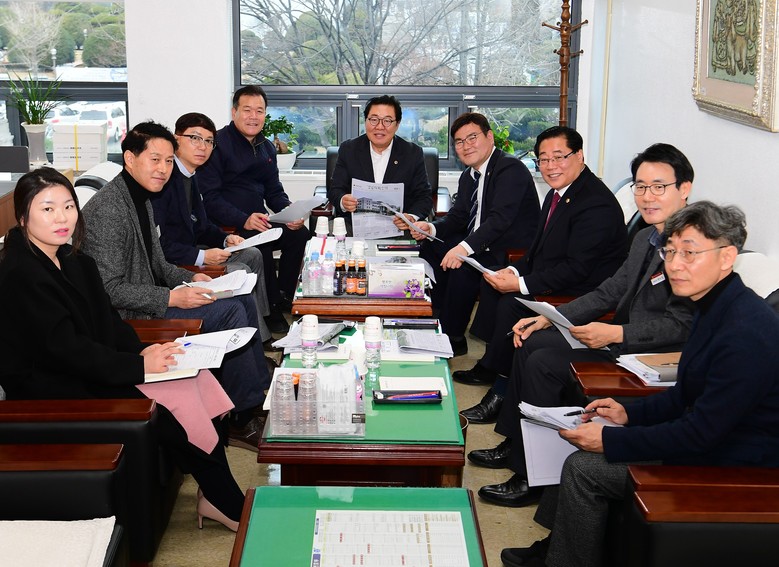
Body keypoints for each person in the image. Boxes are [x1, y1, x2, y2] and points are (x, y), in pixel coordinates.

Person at [501, 201, 779, 567]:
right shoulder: (714, 304)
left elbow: (701, 434)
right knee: (582, 437)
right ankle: (558, 549)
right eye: (670, 251)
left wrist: (611, 440)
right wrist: (628, 414)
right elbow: (682, 396)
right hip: (710, 440)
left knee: (584, 468)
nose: (674, 265)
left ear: (727, 257)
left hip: (733, 462)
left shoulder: (745, 331)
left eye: (689, 253)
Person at [0, 168, 247, 530]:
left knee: (193, 376)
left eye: (68, 206)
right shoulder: (19, 274)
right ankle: (227, 503)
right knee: (173, 408)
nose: (62, 218)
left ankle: (216, 495)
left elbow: (110, 323)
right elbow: (66, 351)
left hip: (93, 366)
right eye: (48, 209)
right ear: (23, 217)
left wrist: (142, 352)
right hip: (53, 386)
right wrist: (138, 368)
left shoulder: (75, 260)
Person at [468, 143, 697, 508]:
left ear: (684, 188)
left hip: (651, 359)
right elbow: (611, 291)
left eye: (659, 187)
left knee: (543, 362)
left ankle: (530, 477)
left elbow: (681, 327)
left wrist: (617, 333)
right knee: (532, 342)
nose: (647, 196)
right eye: (640, 186)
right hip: (619, 341)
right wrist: (549, 316)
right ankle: (518, 448)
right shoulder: (646, 238)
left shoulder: (694, 249)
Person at [81, 121, 269, 452]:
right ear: (130, 158)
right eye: (155, 159)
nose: (163, 169)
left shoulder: (141, 196)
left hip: (152, 297)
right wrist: (171, 297)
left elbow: (158, 262)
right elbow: (109, 289)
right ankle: (241, 418)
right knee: (230, 312)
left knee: (241, 299)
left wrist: (190, 278)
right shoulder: (108, 210)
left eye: (168, 161)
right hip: (130, 317)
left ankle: (255, 397)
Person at [454, 126, 627, 379]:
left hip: (582, 291)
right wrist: (512, 271)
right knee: (494, 280)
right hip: (560, 275)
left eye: (559, 157)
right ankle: (493, 362)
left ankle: (500, 378)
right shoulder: (558, 193)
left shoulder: (596, 204)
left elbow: (577, 269)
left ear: (579, 155)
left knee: (511, 302)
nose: (550, 166)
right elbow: (535, 251)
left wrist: (520, 284)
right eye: (543, 160)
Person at [411, 112, 540, 355]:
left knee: (462, 267)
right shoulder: (469, 175)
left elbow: (499, 221)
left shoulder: (509, 168)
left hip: (508, 250)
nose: (466, 146)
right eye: (459, 142)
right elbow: (459, 216)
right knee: (431, 246)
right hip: (483, 242)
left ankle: (453, 336)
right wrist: (432, 228)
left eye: (472, 138)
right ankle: (434, 316)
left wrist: (462, 249)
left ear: (489, 137)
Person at [150, 112, 273, 341]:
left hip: (192, 250)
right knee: (240, 270)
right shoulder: (163, 179)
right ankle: (255, 337)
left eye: (208, 141)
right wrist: (202, 256)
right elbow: (158, 245)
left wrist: (225, 239)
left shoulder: (192, 175)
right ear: (176, 140)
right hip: (175, 263)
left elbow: (202, 225)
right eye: (195, 138)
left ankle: (262, 322)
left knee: (252, 254)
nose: (203, 147)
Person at [198, 85, 309, 327]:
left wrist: (289, 211)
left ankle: (285, 295)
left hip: (258, 221)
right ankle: (270, 311)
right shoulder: (216, 145)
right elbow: (210, 198)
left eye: (259, 111)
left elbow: (274, 192)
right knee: (262, 243)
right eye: (247, 110)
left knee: (300, 234)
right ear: (234, 112)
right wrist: (244, 219)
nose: (253, 116)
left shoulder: (266, 147)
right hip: (228, 226)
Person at [328, 95, 434, 236]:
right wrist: (343, 201)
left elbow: (424, 197)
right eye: (374, 119)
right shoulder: (349, 149)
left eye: (387, 121)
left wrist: (410, 217)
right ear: (365, 121)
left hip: (398, 229)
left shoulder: (412, 153)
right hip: (354, 227)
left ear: (397, 124)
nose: (379, 126)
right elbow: (335, 190)